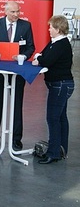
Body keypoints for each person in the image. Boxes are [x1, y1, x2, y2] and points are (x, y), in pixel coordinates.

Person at [0, 0, 35, 151]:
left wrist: (24, 57)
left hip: (18, 71)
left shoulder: (26, 26)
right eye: (13, 12)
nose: (16, 14)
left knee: (17, 103)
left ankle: (16, 139)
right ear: (5, 11)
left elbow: (30, 47)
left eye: (18, 11)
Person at [32, 15, 74, 164]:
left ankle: (53, 153)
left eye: (50, 27)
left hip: (60, 85)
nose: (49, 29)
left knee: (53, 118)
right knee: (61, 117)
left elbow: (45, 59)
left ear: (58, 29)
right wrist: (40, 57)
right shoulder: (55, 43)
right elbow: (43, 55)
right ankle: (61, 150)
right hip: (61, 84)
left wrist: (40, 58)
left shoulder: (60, 44)